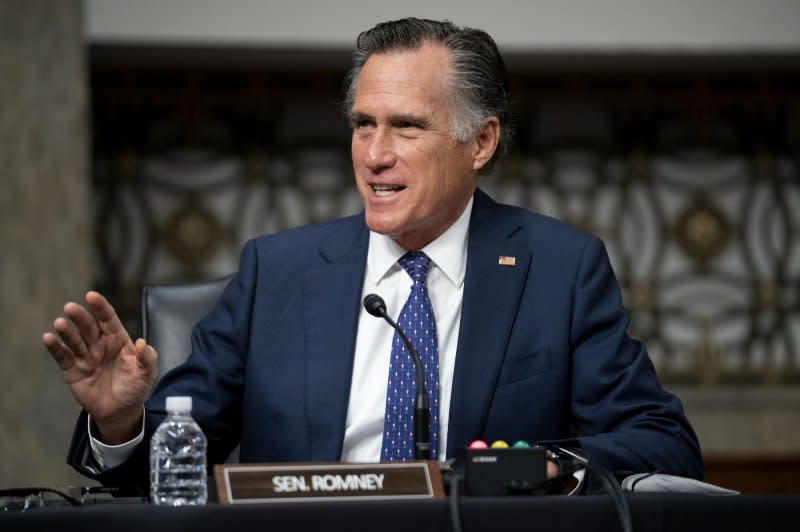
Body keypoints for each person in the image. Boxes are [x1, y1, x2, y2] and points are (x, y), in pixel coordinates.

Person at [43, 18, 703, 490]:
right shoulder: (276, 272)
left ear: (481, 143)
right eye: (363, 124)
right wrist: (121, 419)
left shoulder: (559, 269)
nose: (374, 154)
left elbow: (664, 442)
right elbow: (168, 466)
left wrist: (539, 466)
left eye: (406, 126)